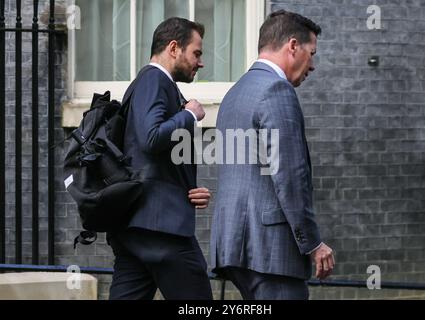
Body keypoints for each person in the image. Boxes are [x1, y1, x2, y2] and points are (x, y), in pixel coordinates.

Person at [210, 10, 335, 300]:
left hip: (235, 245)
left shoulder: (234, 93)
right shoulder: (276, 90)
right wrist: (313, 243)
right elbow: (290, 175)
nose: (312, 65)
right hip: (270, 250)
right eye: (311, 52)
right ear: (293, 46)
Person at [108, 17, 213, 300]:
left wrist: (189, 191)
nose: (200, 62)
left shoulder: (151, 84)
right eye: (197, 53)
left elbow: (148, 157)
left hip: (138, 228)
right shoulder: (154, 79)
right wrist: (190, 113)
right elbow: (151, 137)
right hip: (162, 231)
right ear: (174, 48)